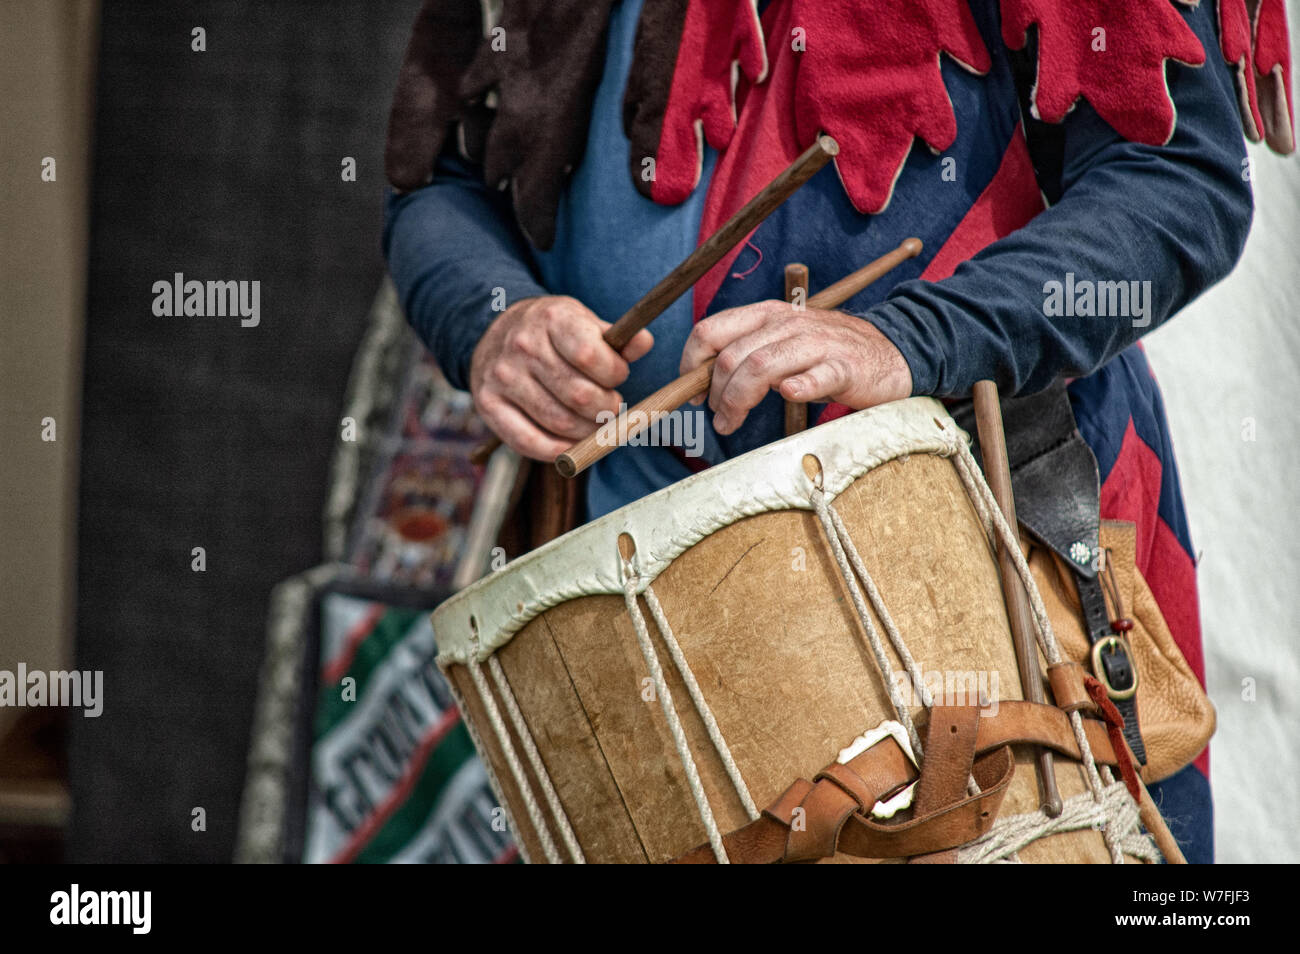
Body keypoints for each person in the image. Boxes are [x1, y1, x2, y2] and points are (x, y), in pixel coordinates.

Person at [382, 0, 1295, 863]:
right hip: (611, 578)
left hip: (973, 552)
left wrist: (910, 339)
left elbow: (1181, 181)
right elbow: (435, 178)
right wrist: (489, 318)